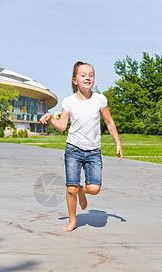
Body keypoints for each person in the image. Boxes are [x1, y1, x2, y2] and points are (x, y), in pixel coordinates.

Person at [40, 61, 123, 232]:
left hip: (93, 152)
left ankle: (82, 192)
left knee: (94, 188)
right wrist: (51, 117)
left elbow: (109, 122)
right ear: (75, 80)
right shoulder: (69, 101)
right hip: (73, 150)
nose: (88, 78)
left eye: (91, 75)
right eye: (83, 75)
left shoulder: (100, 99)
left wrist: (118, 142)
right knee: (71, 188)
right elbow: (62, 126)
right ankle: (72, 220)